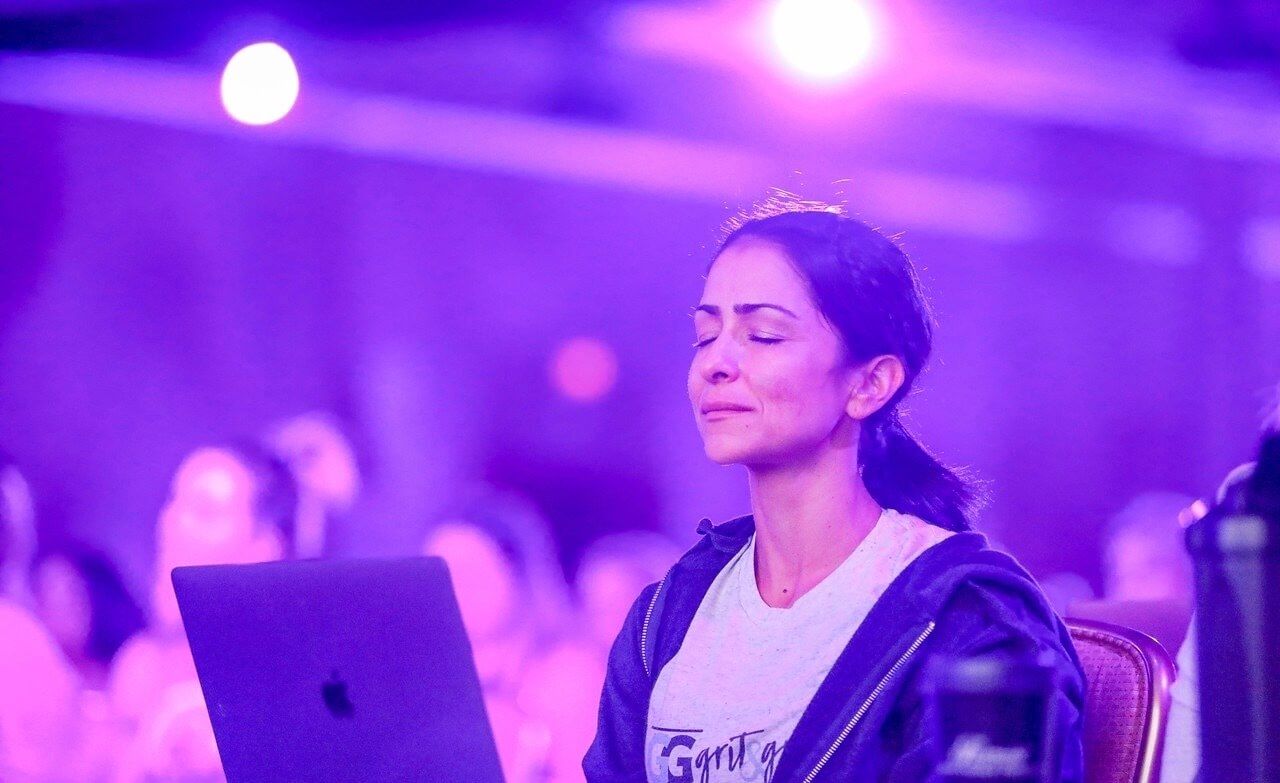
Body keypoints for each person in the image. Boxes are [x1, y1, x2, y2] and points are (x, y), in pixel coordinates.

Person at [583, 204, 1084, 782]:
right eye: (705, 334)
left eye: (764, 335)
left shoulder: (971, 617)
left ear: (870, 384)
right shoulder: (670, 611)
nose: (716, 363)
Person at [109, 442, 297, 783]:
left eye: (205, 511)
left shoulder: (293, 675)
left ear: (265, 547)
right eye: (173, 502)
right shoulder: (141, 663)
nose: (173, 524)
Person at [422, 486, 574, 783]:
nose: (452, 588)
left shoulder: (566, 673)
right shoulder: (434, 686)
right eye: (437, 575)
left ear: (517, 574)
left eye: (469, 572)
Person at [33, 542, 146, 691]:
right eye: (44, 594)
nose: (61, 606)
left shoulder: (137, 667)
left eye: (72, 593)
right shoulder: (38, 686)